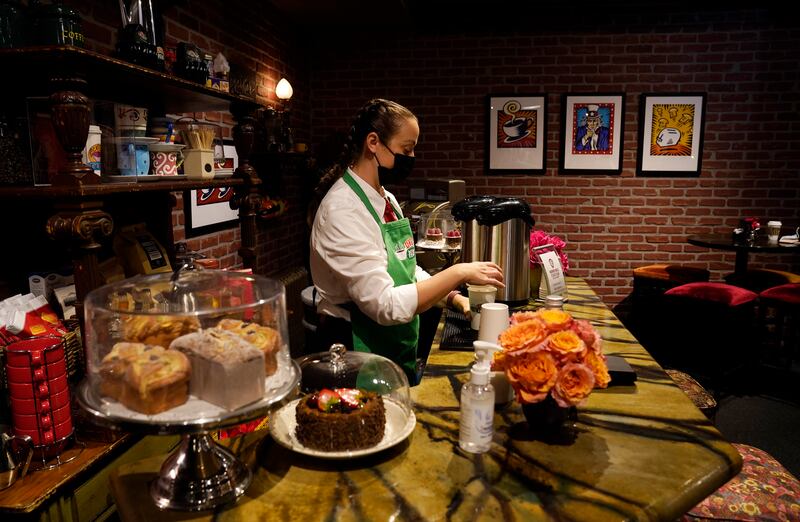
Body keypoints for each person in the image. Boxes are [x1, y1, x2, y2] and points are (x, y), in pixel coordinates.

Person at [309, 98, 504, 384]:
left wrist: (453, 297)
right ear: (373, 142)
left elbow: (405, 266)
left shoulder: (386, 199)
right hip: (354, 348)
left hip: (392, 342)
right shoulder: (342, 210)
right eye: (406, 148)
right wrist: (458, 272)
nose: (412, 157)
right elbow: (385, 304)